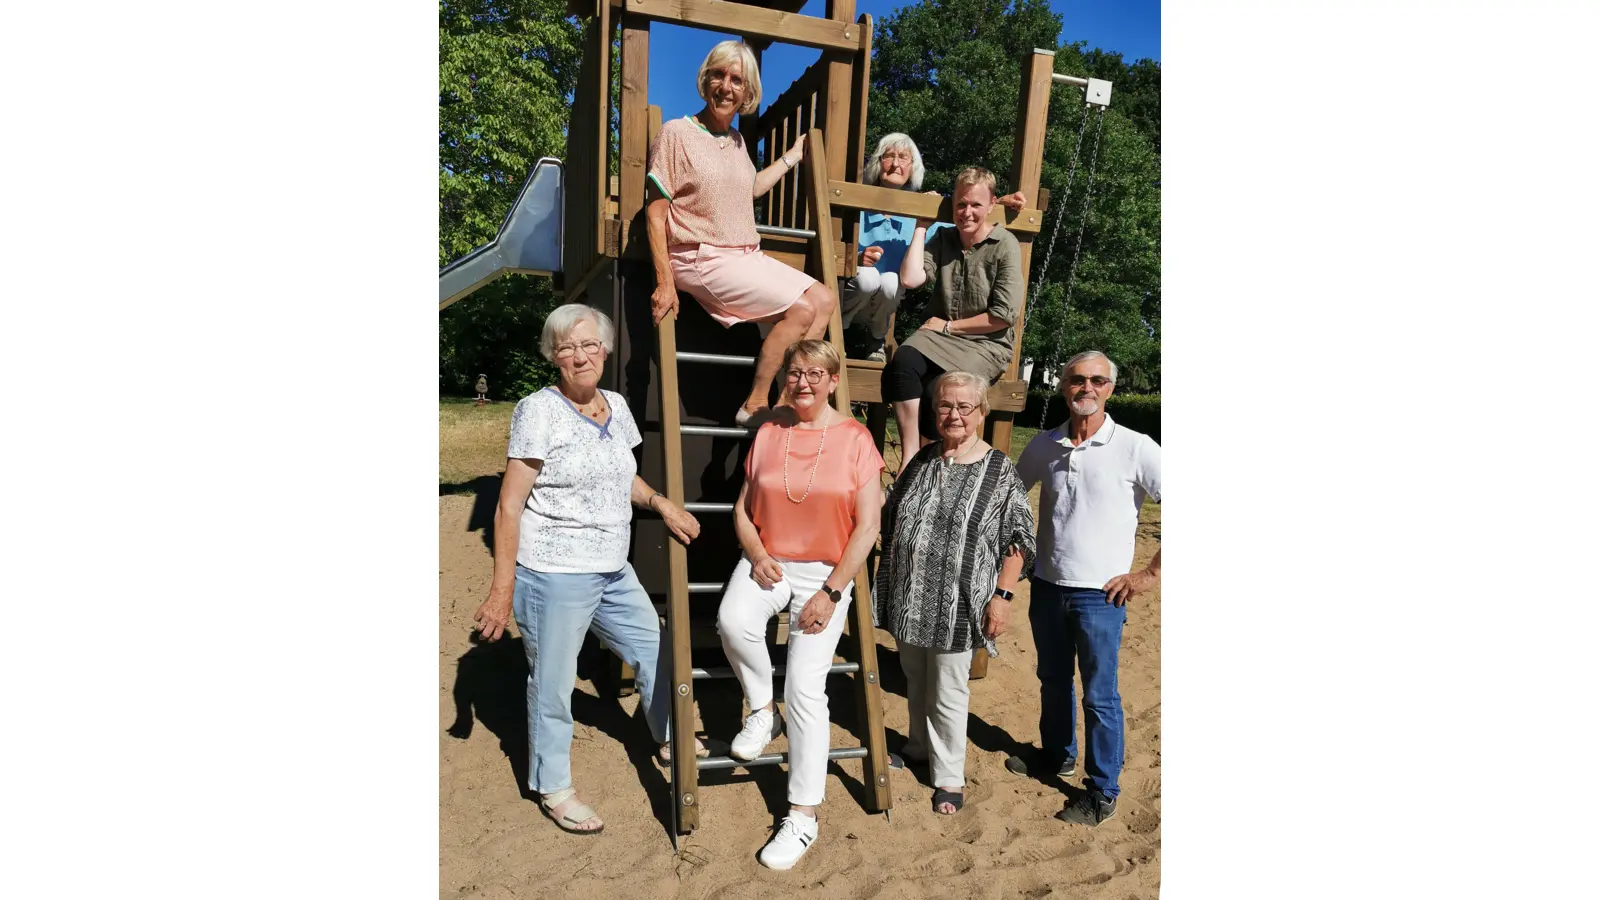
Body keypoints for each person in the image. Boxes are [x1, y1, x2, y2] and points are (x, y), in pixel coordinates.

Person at [472, 303, 705, 836]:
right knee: (552, 683)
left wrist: (662, 503)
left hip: (612, 569)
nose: (580, 355)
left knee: (656, 648)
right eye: (568, 347)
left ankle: (668, 735)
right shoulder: (538, 410)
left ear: (605, 349)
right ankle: (552, 786)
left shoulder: (617, 405)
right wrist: (500, 590)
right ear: (554, 356)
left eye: (589, 344)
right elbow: (509, 506)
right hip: (553, 571)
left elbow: (620, 476)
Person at [715, 339, 885, 869]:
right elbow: (742, 508)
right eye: (795, 372)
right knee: (733, 619)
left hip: (825, 572)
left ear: (834, 381)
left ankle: (803, 815)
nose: (803, 382)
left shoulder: (857, 440)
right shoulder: (768, 431)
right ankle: (763, 712)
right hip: (769, 559)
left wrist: (832, 591)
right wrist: (756, 551)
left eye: (815, 373)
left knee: (806, 687)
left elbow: (869, 526)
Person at [1004, 350, 1162, 827]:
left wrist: (1148, 575)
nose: (1086, 388)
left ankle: (1102, 790)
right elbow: (1010, 500)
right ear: (1062, 387)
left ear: (1110, 389)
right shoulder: (1044, 445)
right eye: (1076, 380)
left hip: (1102, 596)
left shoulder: (1136, 447)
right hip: (1049, 586)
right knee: (1052, 681)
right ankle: (1057, 754)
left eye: (1097, 380)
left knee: (1099, 695)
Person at [645, 40, 837, 424]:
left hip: (744, 254)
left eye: (736, 80)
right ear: (705, 80)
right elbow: (654, 212)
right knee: (801, 311)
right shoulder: (676, 134)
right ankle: (755, 402)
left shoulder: (736, 142)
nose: (726, 86)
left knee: (825, 298)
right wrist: (664, 281)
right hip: (700, 256)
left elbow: (751, 188)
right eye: (718, 75)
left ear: (747, 93)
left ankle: (787, 398)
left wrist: (793, 157)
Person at [873, 372, 1035, 815]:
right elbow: (892, 515)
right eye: (946, 405)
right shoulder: (924, 459)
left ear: (982, 412)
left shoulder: (998, 469)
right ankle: (918, 746)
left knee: (947, 690)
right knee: (915, 679)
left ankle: (948, 776)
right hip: (909, 598)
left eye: (965, 406)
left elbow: (1018, 537)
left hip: (958, 604)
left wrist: (1002, 596)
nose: (954, 415)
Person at [884, 166, 1024, 470]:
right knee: (902, 363)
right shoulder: (945, 237)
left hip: (985, 343)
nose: (967, 212)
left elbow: (1003, 316)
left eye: (976, 205)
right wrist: (921, 226)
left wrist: (948, 326)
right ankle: (911, 457)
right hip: (939, 336)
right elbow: (910, 279)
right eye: (961, 204)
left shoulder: (1004, 244)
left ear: (991, 204)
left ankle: (935, 467)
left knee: (942, 392)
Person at [844, 135, 1024, 362]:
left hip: (886, 302)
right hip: (853, 294)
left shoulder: (925, 210)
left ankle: (876, 339)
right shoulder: (857, 203)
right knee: (868, 277)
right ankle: (837, 332)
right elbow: (837, 245)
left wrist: (1000, 203)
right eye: (888, 156)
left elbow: (967, 212)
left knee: (890, 280)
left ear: (913, 168)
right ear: (878, 163)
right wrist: (856, 257)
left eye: (903, 158)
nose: (896, 164)